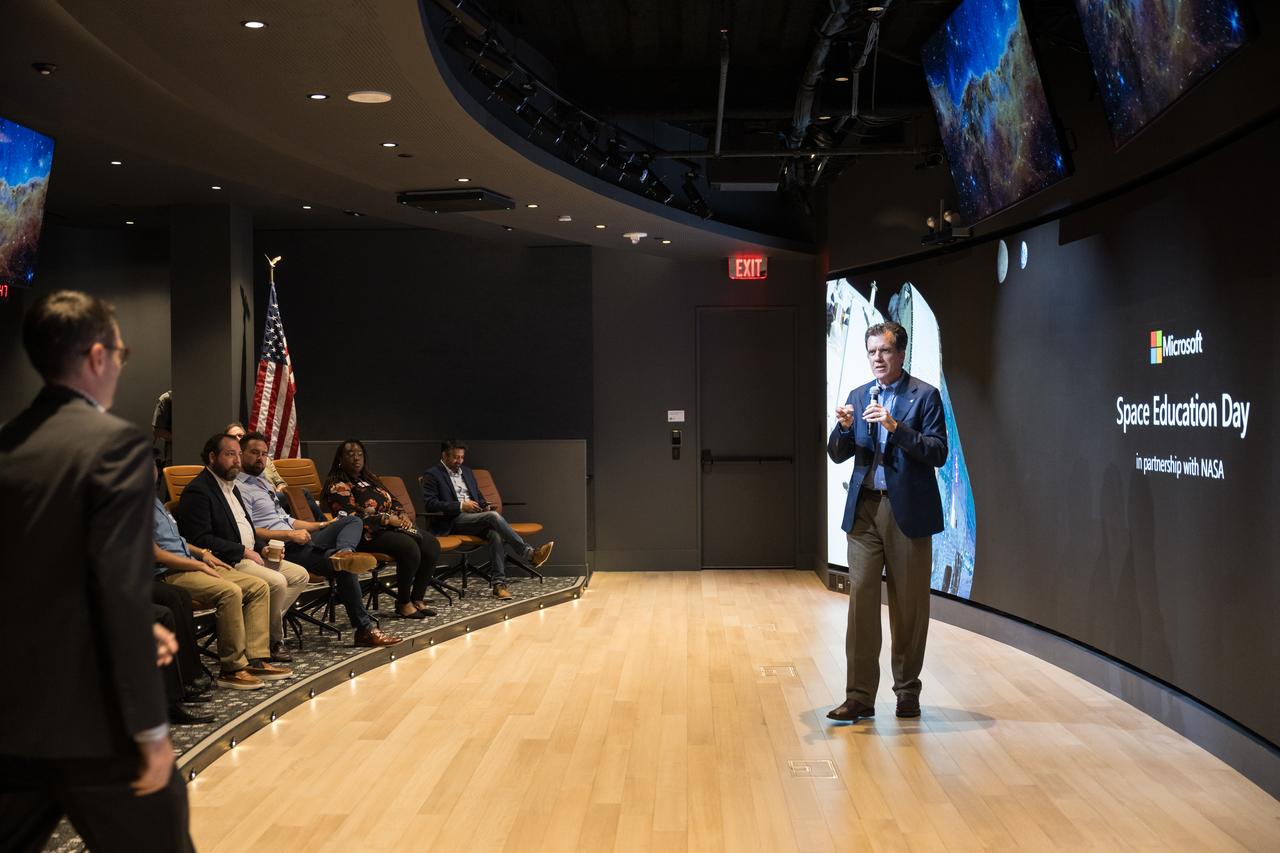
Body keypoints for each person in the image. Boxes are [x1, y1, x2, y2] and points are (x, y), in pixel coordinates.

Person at [0, 290, 194, 851]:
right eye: (121, 351)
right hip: (94, 724)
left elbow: (38, 580)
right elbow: (119, 587)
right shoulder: (115, 446)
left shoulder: (6, 444)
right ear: (96, 356)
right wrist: (152, 732)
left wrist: (136, 627)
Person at [826, 321, 948, 723]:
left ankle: (906, 692)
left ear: (901, 354)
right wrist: (844, 428)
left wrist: (896, 429)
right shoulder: (859, 396)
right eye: (872, 351)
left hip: (907, 514)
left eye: (885, 351)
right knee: (860, 599)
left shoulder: (925, 396)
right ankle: (859, 696)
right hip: (865, 511)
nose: (877, 358)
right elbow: (838, 453)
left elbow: (937, 452)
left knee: (908, 606)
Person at [237, 431, 400, 647]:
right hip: (281, 547)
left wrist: (323, 525)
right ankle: (364, 629)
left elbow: (288, 519)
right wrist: (289, 534)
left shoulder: (264, 483)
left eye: (264, 454)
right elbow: (249, 530)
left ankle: (345, 553)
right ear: (240, 454)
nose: (260, 458)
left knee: (352, 521)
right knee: (344, 568)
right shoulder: (238, 488)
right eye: (254, 453)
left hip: (299, 537)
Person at [178, 433, 309, 662]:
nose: (237, 460)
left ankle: (256, 631)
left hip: (251, 555)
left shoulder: (232, 486)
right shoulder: (199, 490)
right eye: (230, 455)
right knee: (277, 582)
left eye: (239, 454)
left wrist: (261, 548)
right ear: (212, 457)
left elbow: (247, 526)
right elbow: (200, 539)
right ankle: (272, 641)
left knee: (299, 575)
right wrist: (243, 551)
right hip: (227, 559)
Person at [154, 480, 289, 689]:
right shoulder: (133, 505)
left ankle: (255, 659)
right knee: (230, 591)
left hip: (193, 562)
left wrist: (202, 553)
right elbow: (156, 553)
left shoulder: (153, 501)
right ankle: (231, 669)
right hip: (171, 572)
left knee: (259, 587)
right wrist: (195, 565)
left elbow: (177, 541)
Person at [322, 439, 441, 619]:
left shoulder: (371, 479)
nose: (356, 458)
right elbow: (348, 518)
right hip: (364, 534)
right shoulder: (338, 485)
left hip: (388, 529)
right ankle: (403, 603)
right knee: (408, 547)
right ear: (340, 458)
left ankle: (417, 598)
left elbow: (393, 500)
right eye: (350, 454)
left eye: (360, 454)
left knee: (431, 544)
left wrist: (402, 515)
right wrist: (385, 519)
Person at [422, 440, 553, 599]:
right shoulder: (433, 474)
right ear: (444, 455)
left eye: (462, 457)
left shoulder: (467, 472)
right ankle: (529, 554)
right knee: (493, 517)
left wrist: (484, 505)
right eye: (456, 458)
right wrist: (461, 506)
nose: (460, 461)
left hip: (474, 518)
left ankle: (499, 585)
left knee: (495, 533)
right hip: (452, 521)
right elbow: (431, 504)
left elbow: (479, 496)